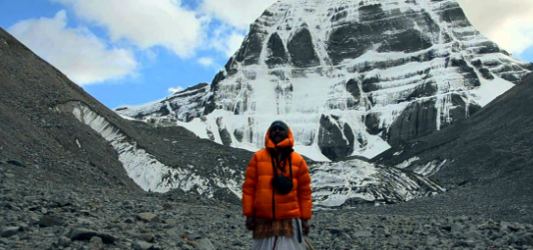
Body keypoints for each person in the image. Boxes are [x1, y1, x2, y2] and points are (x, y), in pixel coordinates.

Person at [242, 120, 312, 250]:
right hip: (264, 218)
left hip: (290, 219)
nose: (277, 131)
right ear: (269, 134)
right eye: (274, 129)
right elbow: (249, 189)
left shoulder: (298, 160)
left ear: (287, 133)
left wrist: (305, 219)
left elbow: (304, 192)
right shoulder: (258, 158)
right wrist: (249, 215)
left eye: (281, 129)